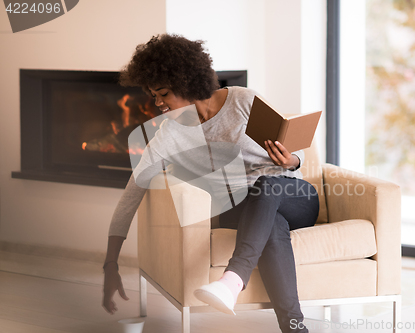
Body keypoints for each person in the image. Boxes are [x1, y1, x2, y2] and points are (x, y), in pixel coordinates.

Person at [101, 33, 319, 333]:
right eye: (153, 95)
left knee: (267, 187)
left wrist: (290, 161)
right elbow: (132, 194)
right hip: (243, 209)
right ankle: (296, 329)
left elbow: (293, 151)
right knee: (272, 226)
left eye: (162, 93)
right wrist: (110, 264)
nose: (157, 103)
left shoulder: (243, 100)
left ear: (186, 81)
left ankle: (232, 279)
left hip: (291, 194)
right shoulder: (169, 135)